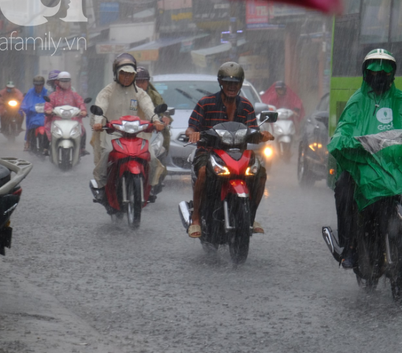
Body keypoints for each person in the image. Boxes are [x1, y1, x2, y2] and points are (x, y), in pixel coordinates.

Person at [328, 49, 402, 269]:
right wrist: (351, 142)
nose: (379, 74)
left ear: (393, 74)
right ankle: (349, 246)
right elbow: (342, 132)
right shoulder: (357, 103)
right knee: (344, 188)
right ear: (365, 73)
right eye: (374, 70)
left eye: (385, 69)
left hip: (398, 169)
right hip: (365, 168)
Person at [185, 61, 274, 238]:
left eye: (235, 83)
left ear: (240, 84)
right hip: (209, 151)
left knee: (261, 173)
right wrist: (193, 134)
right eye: (227, 83)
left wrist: (262, 135)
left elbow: (252, 132)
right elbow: (191, 127)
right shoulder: (206, 103)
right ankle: (195, 218)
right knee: (203, 171)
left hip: (238, 154)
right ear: (221, 83)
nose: (231, 87)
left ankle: (251, 216)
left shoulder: (247, 106)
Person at [90, 53, 164, 201]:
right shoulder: (108, 91)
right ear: (116, 74)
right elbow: (101, 106)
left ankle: (149, 188)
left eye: (130, 74)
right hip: (113, 134)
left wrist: (156, 121)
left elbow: (149, 108)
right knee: (108, 153)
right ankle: (102, 187)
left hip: (137, 135)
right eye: (123, 73)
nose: (126, 77)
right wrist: (98, 122)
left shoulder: (139, 93)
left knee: (152, 157)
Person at [135, 66, 172, 193]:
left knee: (159, 152)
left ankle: (157, 179)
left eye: (143, 82)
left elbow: (164, 113)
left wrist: (165, 118)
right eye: (137, 82)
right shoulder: (125, 94)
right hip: (129, 131)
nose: (140, 85)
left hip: (150, 131)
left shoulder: (154, 96)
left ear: (148, 82)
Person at [44, 72, 89, 156]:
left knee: (82, 129)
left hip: (73, 119)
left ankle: (82, 148)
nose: (65, 83)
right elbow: (48, 104)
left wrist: (83, 110)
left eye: (67, 81)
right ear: (58, 82)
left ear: (70, 82)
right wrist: (49, 110)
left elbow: (81, 103)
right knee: (47, 128)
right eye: (63, 81)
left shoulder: (74, 95)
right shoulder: (53, 95)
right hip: (56, 119)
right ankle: (46, 148)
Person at [20, 75, 48, 151]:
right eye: (37, 85)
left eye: (40, 85)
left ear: (43, 84)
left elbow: (51, 102)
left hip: (44, 116)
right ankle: (28, 141)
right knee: (30, 125)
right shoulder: (30, 92)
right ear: (34, 85)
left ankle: (48, 144)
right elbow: (24, 104)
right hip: (33, 116)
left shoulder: (47, 93)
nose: (38, 87)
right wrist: (29, 108)